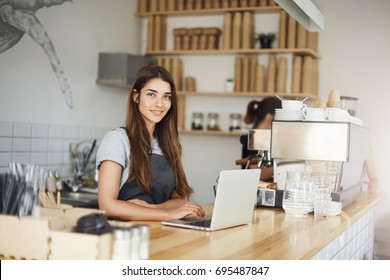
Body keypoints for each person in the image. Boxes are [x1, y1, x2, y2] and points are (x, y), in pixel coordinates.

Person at [96, 65, 205, 221]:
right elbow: (107, 206)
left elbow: (181, 199)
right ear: (136, 96)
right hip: (127, 235)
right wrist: (167, 213)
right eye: (151, 94)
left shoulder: (169, 144)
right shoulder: (117, 140)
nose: (160, 104)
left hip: (160, 232)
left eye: (166, 96)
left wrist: (151, 208)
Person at [240, 97, 282, 181]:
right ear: (269, 116)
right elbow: (259, 174)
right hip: (251, 189)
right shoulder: (254, 138)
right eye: (281, 116)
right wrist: (285, 166)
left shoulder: (271, 138)